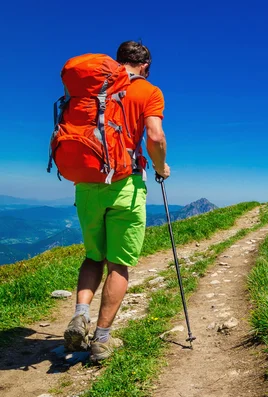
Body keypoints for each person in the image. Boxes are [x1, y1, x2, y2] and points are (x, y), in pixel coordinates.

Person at [63, 40, 170, 363]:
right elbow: (155, 136)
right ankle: (102, 339)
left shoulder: (93, 88)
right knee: (118, 264)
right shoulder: (148, 91)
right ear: (146, 66)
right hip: (124, 183)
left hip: (86, 182)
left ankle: (80, 314)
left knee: (93, 256)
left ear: (117, 61)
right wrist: (160, 165)